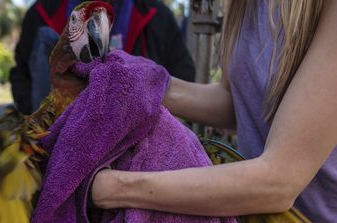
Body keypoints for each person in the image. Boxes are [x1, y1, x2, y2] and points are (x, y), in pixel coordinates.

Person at [90, 0, 337, 222]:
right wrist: (136, 81)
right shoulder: (246, 6)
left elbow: (279, 182)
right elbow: (234, 102)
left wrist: (109, 188)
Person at [9, 0, 195, 114]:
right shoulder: (42, 13)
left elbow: (183, 74)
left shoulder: (157, 17)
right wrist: (37, 119)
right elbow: (21, 75)